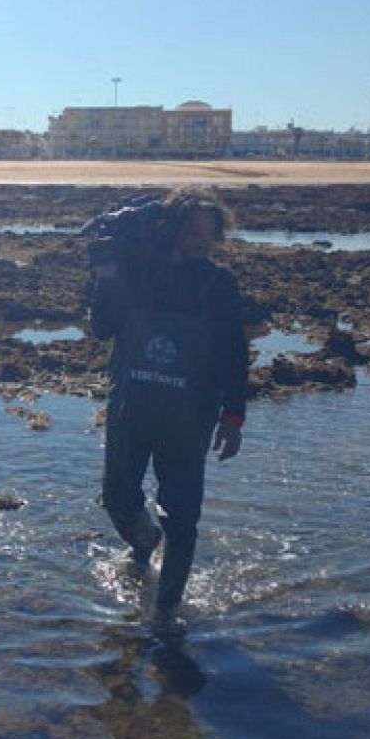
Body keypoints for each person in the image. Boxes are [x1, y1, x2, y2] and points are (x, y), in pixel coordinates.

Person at [89, 187, 249, 639]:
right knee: (118, 498)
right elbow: (102, 328)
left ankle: (166, 611)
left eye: (210, 233)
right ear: (172, 227)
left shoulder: (219, 285)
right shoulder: (138, 273)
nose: (202, 240)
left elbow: (234, 354)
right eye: (193, 230)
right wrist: (105, 275)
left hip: (189, 417)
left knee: (182, 515)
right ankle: (143, 543)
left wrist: (233, 416)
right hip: (131, 408)